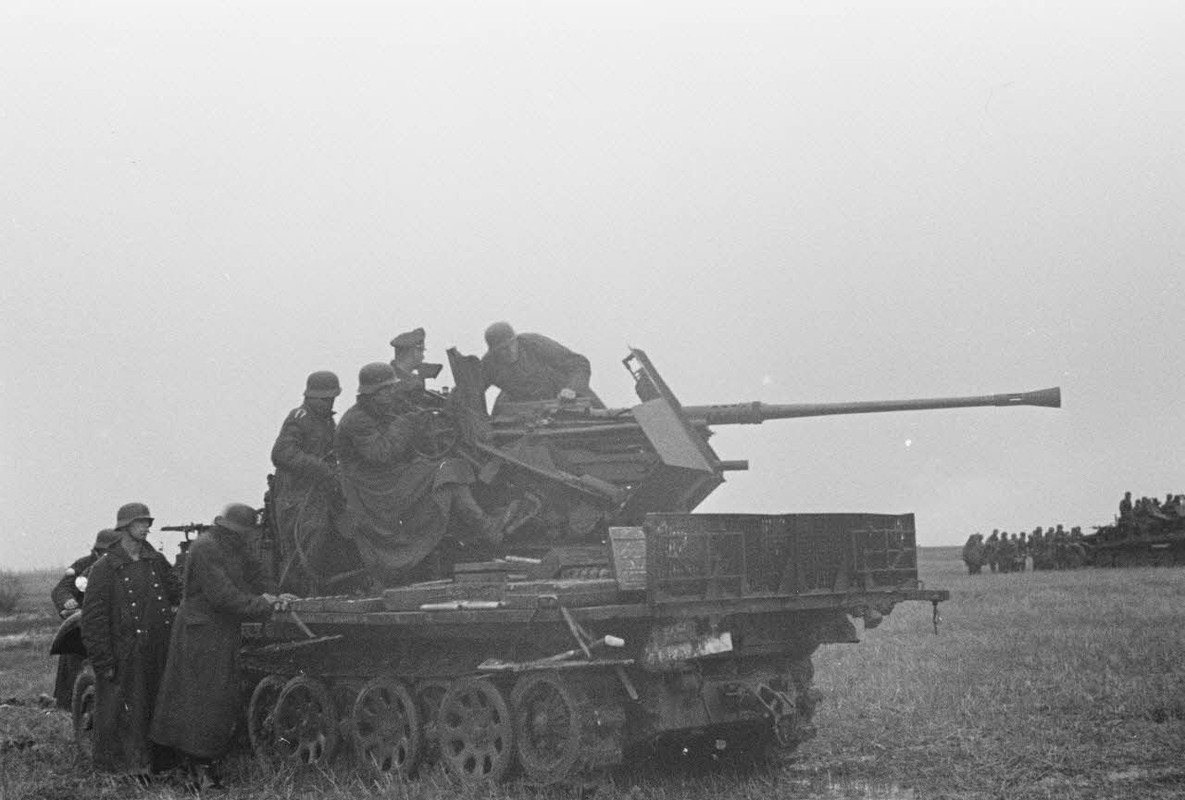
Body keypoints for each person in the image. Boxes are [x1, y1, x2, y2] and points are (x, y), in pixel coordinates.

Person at [151, 504, 288, 790]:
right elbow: (222, 595)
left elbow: (258, 575)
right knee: (201, 700)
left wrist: (276, 594)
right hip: (201, 633)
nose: (248, 538)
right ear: (232, 530)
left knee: (216, 698)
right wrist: (264, 604)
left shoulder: (235, 546)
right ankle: (198, 770)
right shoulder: (206, 548)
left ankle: (200, 764)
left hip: (221, 630)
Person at [336, 362, 506, 586]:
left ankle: (479, 529)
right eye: (384, 391)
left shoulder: (378, 411)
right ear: (370, 394)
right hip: (374, 489)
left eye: (391, 389)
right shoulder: (357, 420)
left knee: (443, 467)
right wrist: (406, 423)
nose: (390, 395)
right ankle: (487, 531)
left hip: (387, 478)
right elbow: (381, 453)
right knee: (448, 471)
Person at [80, 503, 180, 778]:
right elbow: (93, 620)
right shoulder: (104, 567)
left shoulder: (154, 559)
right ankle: (130, 769)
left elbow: (176, 591)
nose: (147, 526)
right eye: (141, 522)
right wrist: (104, 660)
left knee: (158, 707)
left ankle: (161, 765)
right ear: (125, 527)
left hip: (158, 649)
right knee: (127, 714)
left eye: (148, 522)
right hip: (126, 652)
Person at [270, 370, 342, 594]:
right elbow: (281, 453)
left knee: (322, 543)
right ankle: (296, 596)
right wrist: (320, 468)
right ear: (311, 396)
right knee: (300, 551)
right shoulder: (299, 418)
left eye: (332, 398)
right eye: (324, 398)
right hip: (296, 498)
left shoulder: (327, 421)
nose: (329, 403)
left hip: (316, 497)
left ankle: (314, 591)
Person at [49, 528, 120, 709]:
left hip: (111, 620)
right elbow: (61, 589)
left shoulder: (122, 564)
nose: (105, 555)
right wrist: (69, 601)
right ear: (96, 550)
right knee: (74, 660)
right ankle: (68, 704)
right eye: (102, 551)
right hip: (84, 621)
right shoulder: (83, 565)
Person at [480, 321, 603, 411]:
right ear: (494, 352)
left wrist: (571, 388)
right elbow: (473, 392)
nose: (510, 351)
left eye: (512, 344)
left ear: (516, 340)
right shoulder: (489, 364)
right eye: (503, 349)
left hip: (562, 396)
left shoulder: (534, 344)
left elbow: (579, 363)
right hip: (525, 407)